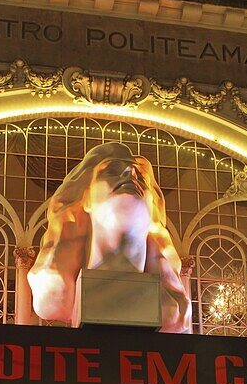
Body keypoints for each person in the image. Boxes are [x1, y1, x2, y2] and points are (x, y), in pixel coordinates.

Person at [27, 142, 191, 332]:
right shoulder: (56, 292)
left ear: (151, 206)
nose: (130, 172)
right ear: (86, 199)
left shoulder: (170, 308)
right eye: (111, 170)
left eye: (140, 176)